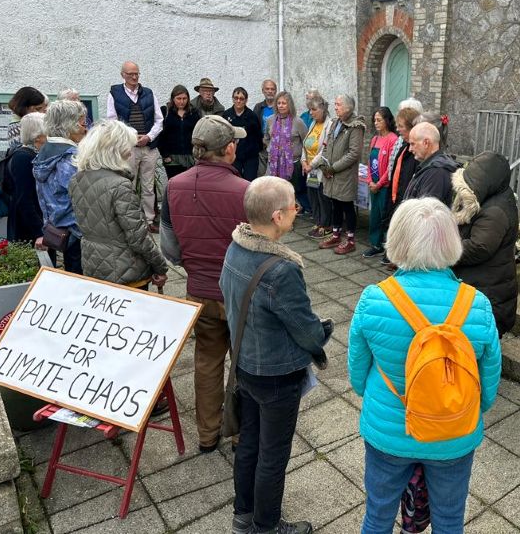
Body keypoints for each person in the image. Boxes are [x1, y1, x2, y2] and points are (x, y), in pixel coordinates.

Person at [348, 197, 501, 534]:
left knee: (378, 515)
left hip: (390, 428)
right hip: (453, 430)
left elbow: (357, 375)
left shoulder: (374, 298)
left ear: (397, 240)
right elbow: (488, 384)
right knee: (448, 520)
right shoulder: (476, 304)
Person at [221, 176, 331, 534]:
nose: (298, 211)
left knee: (249, 442)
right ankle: (266, 526)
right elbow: (305, 327)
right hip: (276, 374)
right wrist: (323, 332)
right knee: (273, 454)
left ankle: (243, 515)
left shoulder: (236, 247)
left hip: (245, 366)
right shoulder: (280, 269)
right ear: (278, 216)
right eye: (295, 206)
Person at [160, 115, 249, 453]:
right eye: (235, 142)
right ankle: (240, 433)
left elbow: (170, 248)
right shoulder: (246, 190)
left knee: (207, 360)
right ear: (228, 149)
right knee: (244, 362)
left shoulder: (172, 186)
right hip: (240, 294)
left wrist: (194, 264)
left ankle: (207, 434)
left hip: (199, 290)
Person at [70, 119, 168, 289]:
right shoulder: (119, 186)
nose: (130, 153)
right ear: (115, 150)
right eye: (127, 147)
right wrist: (160, 267)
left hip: (94, 265)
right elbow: (139, 238)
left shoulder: (77, 180)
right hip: (127, 272)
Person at [450, 151, 519, 338]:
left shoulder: (495, 211)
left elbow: (479, 247)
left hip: (489, 294)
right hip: (483, 288)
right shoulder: (493, 198)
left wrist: (445, 248)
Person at [106, 60, 164, 232]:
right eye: (130, 73)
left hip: (149, 147)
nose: (134, 76)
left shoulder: (149, 93)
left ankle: (148, 220)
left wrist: (148, 136)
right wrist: (131, 137)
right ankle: (129, 220)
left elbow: (159, 120)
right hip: (128, 148)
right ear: (122, 74)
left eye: (136, 73)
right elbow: (112, 121)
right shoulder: (114, 94)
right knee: (128, 185)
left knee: (148, 186)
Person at [32, 100, 88, 274]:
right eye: (80, 121)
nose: (84, 125)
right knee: (82, 282)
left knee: (72, 277)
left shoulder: (45, 151)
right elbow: (83, 198)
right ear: (68, 124)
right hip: (77, 231)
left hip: (56, 229)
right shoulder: (70, 157)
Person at [312, 95, 365, 255]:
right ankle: (335, 235)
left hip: (344, 175)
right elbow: (327, 145)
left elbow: (354, 153)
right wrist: (324, 165)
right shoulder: (336, 122)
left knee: (346, 206)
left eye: (338, 104)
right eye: (335, 104)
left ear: (348, 107)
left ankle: (350, 240)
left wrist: (333, 168)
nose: (335, 107)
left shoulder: (356, 126)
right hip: (331, 173)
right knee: (335, 204)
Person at [380, 107, 421, 267]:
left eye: (401, 126)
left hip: (406, 197)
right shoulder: (404, 146)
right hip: (396, 193)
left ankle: (403, 260)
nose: (397, 129)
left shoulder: (414, 151)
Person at [263, 91, 308, 212]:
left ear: (290, 105)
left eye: (284, 103)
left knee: (289, 193)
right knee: (274, 190)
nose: (281, 105)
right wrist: (272, 148)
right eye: (279, 103)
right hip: (273, 163)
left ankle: (288, 218)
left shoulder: (298, 122)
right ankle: (276, 215)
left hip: (292, 164)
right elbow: (266, 137)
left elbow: (306, 142)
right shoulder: (270, 120)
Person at [6, 113, 47, 243]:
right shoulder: (23, 157)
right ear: (37, 136)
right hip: (28, 228)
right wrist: (38, 232)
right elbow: (24, 198)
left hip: (33, 222)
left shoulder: (32, 154)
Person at [362, 107, 398, 258]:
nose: (376, 123)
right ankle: (375, 244)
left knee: (385, 216)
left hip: (384, 186)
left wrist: (379, 184)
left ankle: (387, 247)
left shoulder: (393, 140)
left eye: (379, 120)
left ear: (387, 121)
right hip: (373, 185)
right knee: (374, 216)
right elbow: (370, 162)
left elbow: (390, 167)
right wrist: (370, 180)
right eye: (374, 120)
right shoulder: (375, 139)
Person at [301, 95, 332, 239]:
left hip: (319, 169)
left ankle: (326, 225)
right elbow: (305, 144)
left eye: (313, 109)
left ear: (322, 109)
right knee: (313, 196)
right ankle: (318, 222)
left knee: (322, 197)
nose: (311, 113)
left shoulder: (329, 125)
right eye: (310, 110)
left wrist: (311, 165)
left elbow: (324, 150)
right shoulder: (313, 123)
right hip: (310, 169)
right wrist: (303, 161)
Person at [403, 122, 457, 206]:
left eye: (413, 144)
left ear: (426, 143)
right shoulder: (434, 168)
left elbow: (427, 212)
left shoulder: (437, 172)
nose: (410, 149)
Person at [158, 85, 200, 179]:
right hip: (172, 158)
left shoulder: (194, 113)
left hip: (190, 157)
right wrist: (165, 155)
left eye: (184, 98)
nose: (181, 101)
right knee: (174, 184)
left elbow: (198, 134)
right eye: (179, 98)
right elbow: (160, 135)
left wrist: (197, 154)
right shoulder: (166, 112)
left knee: (189, 185)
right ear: (173, 99)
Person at [225, 87, 263, 181]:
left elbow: (258, 136)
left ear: (246, 100)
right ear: (232, 99)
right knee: (234, 181)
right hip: (233, 156)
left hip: (250, 157)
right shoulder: (226, 115)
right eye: (236, 98)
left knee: (249, 182)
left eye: (241, 99)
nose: (238, 101)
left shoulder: (252, 116)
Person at [253, 79, 278, 177]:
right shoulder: (258, 107)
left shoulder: (279, 107)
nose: (270, 91)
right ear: (263, 91)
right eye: (267, 89)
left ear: (275, 91)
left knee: (275, 176)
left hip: (277, 147)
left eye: (272, 89)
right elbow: (254, 127)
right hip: (262, 147)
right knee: (261, 175)